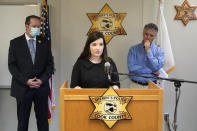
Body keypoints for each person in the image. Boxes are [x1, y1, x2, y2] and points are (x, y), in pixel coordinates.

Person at [8, 15, 54, 131]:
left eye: (38, 27)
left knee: (43, 123)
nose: (36, 29)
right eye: (34, 26)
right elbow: (12, 66)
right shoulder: (15, 43)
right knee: (22, 123)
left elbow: (50, 65)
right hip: (23, 89)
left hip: (41, 88)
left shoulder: (44, 42)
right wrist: (26, 81)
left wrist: (42, 80)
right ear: (26, 26)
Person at [127, 23, 164, 88]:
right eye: (146, 34)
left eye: (151, 35)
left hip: (152, 86)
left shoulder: (159, 51)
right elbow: (131, 68)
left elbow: (156, 67)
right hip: (135, 85)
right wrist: (151, 71)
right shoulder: (133, 49)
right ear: (143, 33)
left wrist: (148, 51)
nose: (148, 37)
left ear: (155, 37)